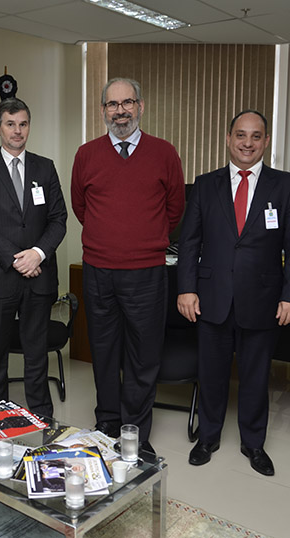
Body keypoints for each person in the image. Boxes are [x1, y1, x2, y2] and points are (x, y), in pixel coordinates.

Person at [176, 110, 290, 476]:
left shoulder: (286, 185)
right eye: (240, 135)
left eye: (255, 136)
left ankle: (254, 443)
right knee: (212, 373)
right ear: (228, 138)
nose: (247, 143)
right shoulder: (205, 184)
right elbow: (189, 242)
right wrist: (186, 288)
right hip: (212, 297)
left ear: (266, 141)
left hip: (263, 300)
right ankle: (208, 437)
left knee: (255, 376)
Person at [71, 77, 186, 453]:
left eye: (127, 103)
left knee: (143, 354)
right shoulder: (87, 154)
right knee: (103, 350)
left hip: (146, 273)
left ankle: (135, 431)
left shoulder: (164, 153)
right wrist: (111, 238)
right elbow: (81, 207)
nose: (120, 111)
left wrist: (142, 239)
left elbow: (174, 210)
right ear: (103, 110)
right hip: (99, 271)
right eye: (112, 104)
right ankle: (106, 424)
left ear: (140, 106)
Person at [0, 98, 67, 418]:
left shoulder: (45, 167)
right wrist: (15, 258)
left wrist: (37, 254)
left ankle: (41, 418)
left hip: (39, 278)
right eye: (10, 124)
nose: (17, 131)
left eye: (23, 124)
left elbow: (58, 219)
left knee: (37, 355)